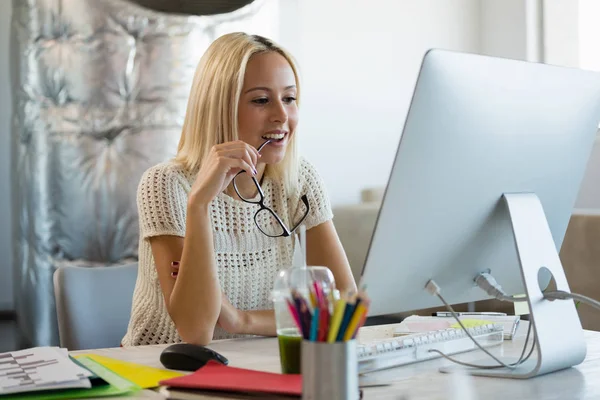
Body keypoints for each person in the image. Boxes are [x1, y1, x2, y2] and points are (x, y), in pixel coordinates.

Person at [121, 32, 357, 347]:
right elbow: (196, 332)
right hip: (163, 367)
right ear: (220, 107)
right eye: (261, 100)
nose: (282, 116)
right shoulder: (165, 184)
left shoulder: (297, 180)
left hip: (253, 361)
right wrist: (199, 204)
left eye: (289, 98)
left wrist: (241, 320)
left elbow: (345, 309)